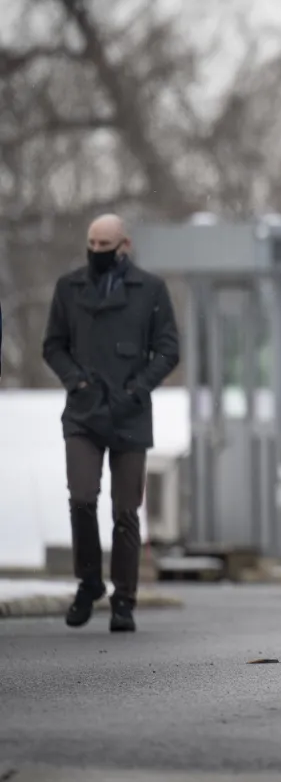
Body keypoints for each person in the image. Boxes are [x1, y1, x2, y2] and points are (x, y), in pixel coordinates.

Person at [42, 214, 180, 632]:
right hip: (84, 412)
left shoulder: (151, 290)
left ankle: (124, 598)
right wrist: (77, 381)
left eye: (105, 245)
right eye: (92, 244)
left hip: (129, 413)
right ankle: (88, 582)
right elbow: (53, 345)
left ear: (124, 245)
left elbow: (169, 350)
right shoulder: (69, 288)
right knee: (82, 498)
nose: (97, 252)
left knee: (126, 509)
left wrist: (137, 389)